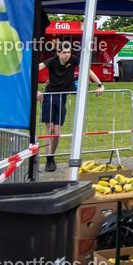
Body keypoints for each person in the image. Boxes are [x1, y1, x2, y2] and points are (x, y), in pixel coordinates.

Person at [37, 41, 104, 172]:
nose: (67, 55)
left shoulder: (73, 60)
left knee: (57, 131)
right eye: (64, 53)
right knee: (49, 128)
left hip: (62, 97)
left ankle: (51, 156)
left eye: (68, 52)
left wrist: (100, 85)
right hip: (49, 96)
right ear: (58, 53)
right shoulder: (52, 61)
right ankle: (49, 160)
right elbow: (33, 70)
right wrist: (35, 90)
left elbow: (88, 70)